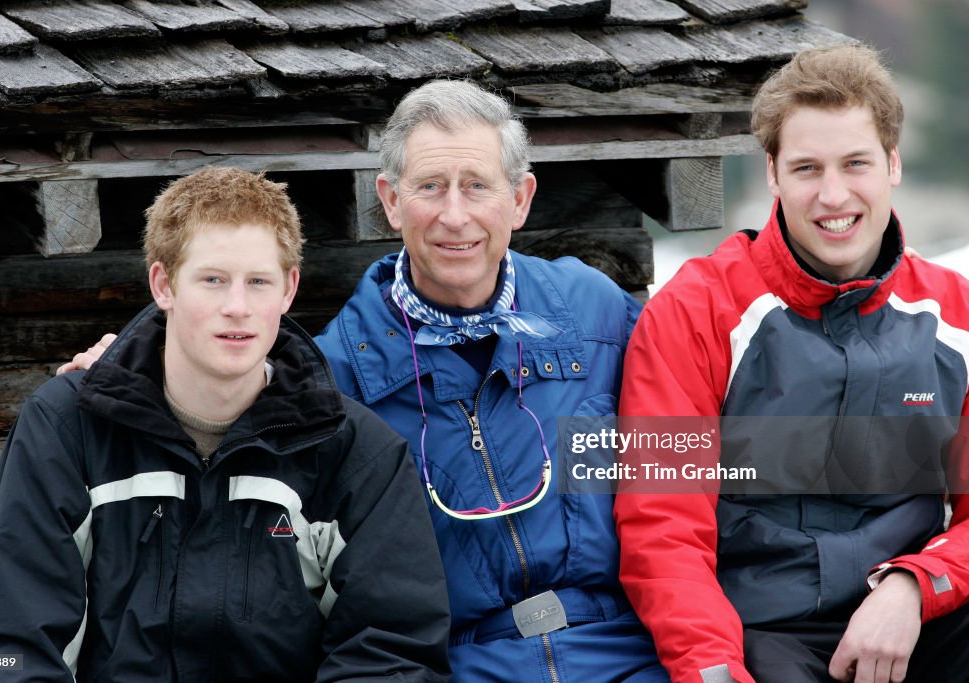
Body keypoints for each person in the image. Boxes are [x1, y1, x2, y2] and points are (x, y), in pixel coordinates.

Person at [58, 80, 669, 682]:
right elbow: (211, 410)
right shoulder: (332, 380)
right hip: (456, 664)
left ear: (520, 198)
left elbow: (701, 450)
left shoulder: (595, 313)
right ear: (391, 199)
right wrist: (133, 364)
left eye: (477, 186)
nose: (454, 216)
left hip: (625, 651)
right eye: (430, 187)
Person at [0, 167, 451, 682]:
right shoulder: (64, 428)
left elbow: (394, 651)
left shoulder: (356, 453)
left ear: (288, 290)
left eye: (258, 282)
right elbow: (6, 650)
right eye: (213, 280)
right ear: (164, 284)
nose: (237, 308)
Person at [615, 45, 969, 683]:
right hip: (760, 630)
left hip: (916, 611)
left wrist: (914, 585)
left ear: (892, 163)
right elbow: (662, 525)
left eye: (855, 163)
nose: (834, 195)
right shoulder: (694, 311)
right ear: (773, 174)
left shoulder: (956, 313)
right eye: (807, 168)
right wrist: (714, 670)